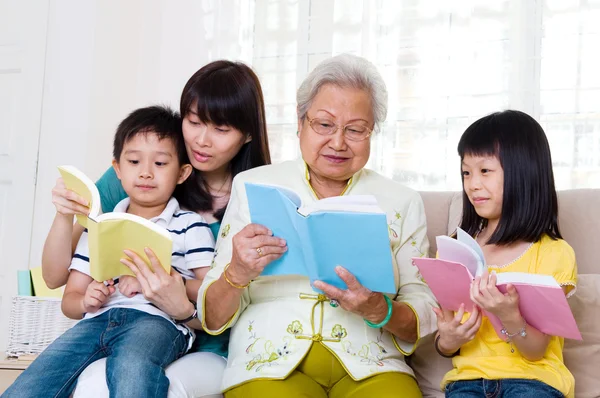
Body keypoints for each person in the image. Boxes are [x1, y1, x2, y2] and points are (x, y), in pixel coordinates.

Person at [126, 53, 437, 397]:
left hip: (373, 364)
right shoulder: (253, 187)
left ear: (372, 132)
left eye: (355, 130)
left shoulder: (402, 201)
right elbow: (212, 317)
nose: (337, 142)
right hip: (267, 363)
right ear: (300, 122)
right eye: (324, 124)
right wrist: (237, 272)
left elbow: (422, 309)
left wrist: (380, 310)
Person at [40, 60, 271, 397]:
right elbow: (55, 277)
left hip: (214, 345)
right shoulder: (144, 169)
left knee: (159, 384)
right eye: (193, 122)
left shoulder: (256, 198)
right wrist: (64, 215)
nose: (202, 140)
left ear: (247, 133)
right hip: (122, 326)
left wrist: (176, 289)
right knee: (92, 385)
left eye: (221, 130)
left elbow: (247, 297)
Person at [4, 105, 216, 397]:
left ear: (182, 173)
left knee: (133, 368)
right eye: (133, 161)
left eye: (160, 164)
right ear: (117, 169)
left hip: (157, 322)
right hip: (96, 321)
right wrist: (86, 301)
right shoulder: (99, 227)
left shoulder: (189, 225)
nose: (145, 173)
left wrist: (159, 279)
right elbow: (69, 300)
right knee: (35, 381)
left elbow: (210, 290)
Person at [434, 110, 577, 398]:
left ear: (524, 172)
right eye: (466, 172)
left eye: (485, 171)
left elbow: (536, 351)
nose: (473, 184)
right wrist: (447, 340)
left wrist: (508, 315)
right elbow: (447, 344)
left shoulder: (553, 253)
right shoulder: (454, 248)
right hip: (466, 383)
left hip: (533, 382)